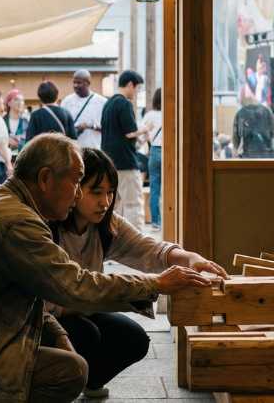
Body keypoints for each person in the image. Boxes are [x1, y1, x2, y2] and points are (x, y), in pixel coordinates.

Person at [0, 134, 212, 403]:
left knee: (83, 357)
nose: (82, 194)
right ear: (46, 178)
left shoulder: (9, 204)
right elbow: (74, 285)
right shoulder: (18, 222)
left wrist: (182, 258)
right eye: (79, 182)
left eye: (108, 192)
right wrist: (156, 284)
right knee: (68, 372)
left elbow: (145, 248)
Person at [49, 148, 226, 398]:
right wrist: (146, 287)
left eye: (110, 192)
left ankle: (89, 381)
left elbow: (150, 249)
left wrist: (190, 258)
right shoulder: (47, 229)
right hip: (45, 319)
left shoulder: (105, 225)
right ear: (75, 190)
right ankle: (63, 383)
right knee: (86, 334)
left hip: (82, 309)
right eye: (96, 192)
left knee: (134, 339)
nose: (105, 201)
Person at [101, 71, 150, 230]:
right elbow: (129, 132)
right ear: (130, 85)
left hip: (110, 162)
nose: (136, 92)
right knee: (133, 204)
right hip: (126, 163)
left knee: (115, 205)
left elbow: (119, 135)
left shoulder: (108, 104)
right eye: (137, 88)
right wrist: (145, 129)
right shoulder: (124, 103)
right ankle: (136, 243)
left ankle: (114, 238)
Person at [61, 69, 108, 149]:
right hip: (73, 150)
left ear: (88, 83)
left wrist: (90, 126)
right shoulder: (67, 101)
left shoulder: (102, 102)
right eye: (74, 82)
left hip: (94, 149)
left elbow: (108, 128)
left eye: (79, 83)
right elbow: (62, 127)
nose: (75, 85)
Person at [140, 88, 163, 231]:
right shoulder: (174, 113)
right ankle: (170, 218)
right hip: (171, 153)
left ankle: (156, 223)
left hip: (154, 151)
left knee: (155, 188)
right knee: (173, 188)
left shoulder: (150, 115)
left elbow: (142, 136)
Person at [4, 88, 30, 154]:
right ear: (9, 103)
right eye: (16, 100)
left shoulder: (26, 121)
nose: (20, 103)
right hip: (4, 159)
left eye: (22, 100)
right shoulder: (2, 121)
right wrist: (7, 140)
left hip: (22, 157)